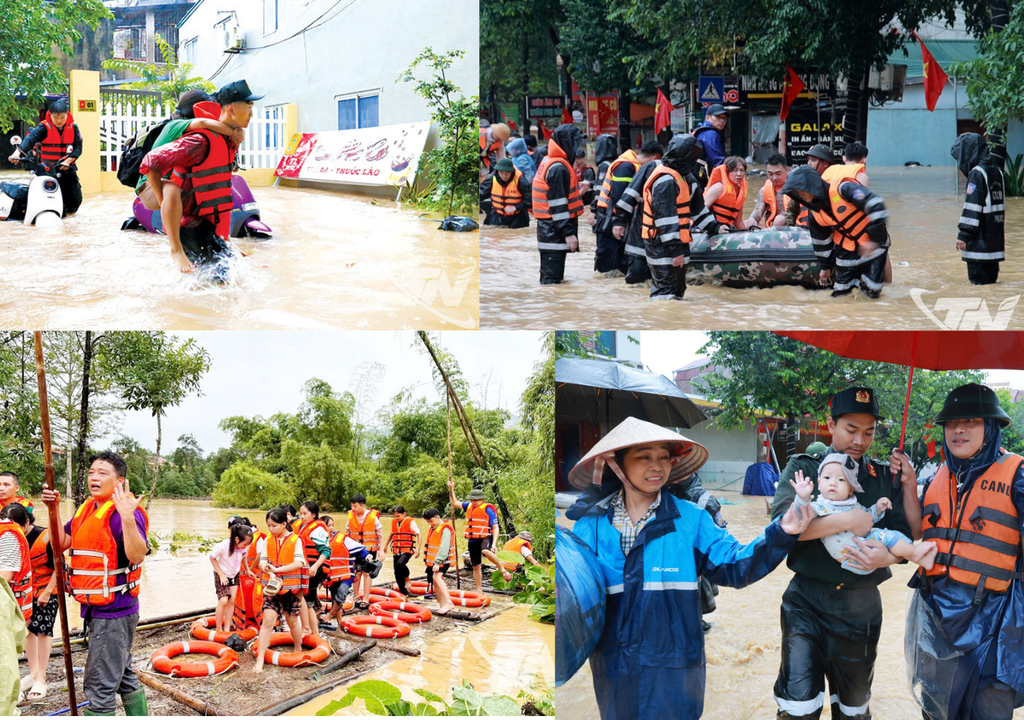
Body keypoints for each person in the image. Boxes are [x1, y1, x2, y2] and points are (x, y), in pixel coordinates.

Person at [564, 416, 812, 719]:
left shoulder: (691, 520)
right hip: (614, 672)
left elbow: (737, 565)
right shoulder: (589, 529)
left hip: (678, 674)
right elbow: (572, 603)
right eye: (644, 457)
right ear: (617, 464)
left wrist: (783, 530)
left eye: (663, 457)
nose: (657, 467)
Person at [770, 387, 919, 720]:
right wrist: (849, 519)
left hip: (861, 610)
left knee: (853, 712)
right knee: (798, 708)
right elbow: (783, 528)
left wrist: (888, 555)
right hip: (805, 604)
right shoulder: (805, 468)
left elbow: (910, 536)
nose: (860, 440)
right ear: (831, 423)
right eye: (851, 429)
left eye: (868, 432)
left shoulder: (881, 476)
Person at [907, 383, 1024, 720]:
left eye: (971, 421)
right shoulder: (936, 478)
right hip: (936, 618)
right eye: (951, 423)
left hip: (996, 621)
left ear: (991, 427)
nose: (958, 429)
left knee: (988, 713)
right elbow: (915, 535)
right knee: (936, 711)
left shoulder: (1017, 475)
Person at [40, 452, 150, 717]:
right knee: (122, 673)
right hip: (99, 610)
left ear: (120, 480)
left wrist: (126, 517)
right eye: (91, 472)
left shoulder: (125, 513)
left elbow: (137, 554)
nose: (94, 477)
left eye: (102, 473)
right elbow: (61, 542)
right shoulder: (88, 508)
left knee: (99, 684)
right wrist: (53, 510)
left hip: (114, 612)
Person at [139, 80, 261, 275]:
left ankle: (222, 242)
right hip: (159, 193)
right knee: (171, 189)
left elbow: (220, 187)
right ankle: (176, 249)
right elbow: (151, 163)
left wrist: (224, 238)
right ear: (230, 110)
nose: (252, 114)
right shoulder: (196, 138)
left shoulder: (224, 140)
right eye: (248, 108)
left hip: (200, 217)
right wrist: (165, 207)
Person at [791, 453, 937, 573]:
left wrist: (878, 509)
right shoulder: (820, 506)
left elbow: (868, 517)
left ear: (850, 489)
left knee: (893, 536)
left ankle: (911, 551)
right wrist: (802, 498)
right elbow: (798, 520)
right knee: (884, 535)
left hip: (864, 554)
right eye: (827, 478)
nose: (833, 483)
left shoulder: (852, 504)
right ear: (819, 482)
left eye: (841, 480)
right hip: (850, 553)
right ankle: (914, 553)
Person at [782, 165, 889, 298]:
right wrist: (825, 267)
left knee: (871, 292)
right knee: (841, 294)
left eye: (801, 190)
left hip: (872, 243)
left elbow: (876, 204)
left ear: (811, 185)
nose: (799, 194)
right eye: (796, 192)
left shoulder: (844, 188)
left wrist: (873, 241)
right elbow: (821, 241)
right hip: (846, 247)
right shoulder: (814, 213)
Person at [640, 134, 715, 301]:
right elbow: (665, 221)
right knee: (665, 291)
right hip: (661, 245)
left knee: (678, 289)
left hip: (679, 244)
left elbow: (698, 209)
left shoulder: (685, 177)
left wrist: (715, 227)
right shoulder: (665, 181)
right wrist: (676, 253)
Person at [2, 504, 55, 702]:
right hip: (24, 592)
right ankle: (33, 673)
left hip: (45, 590)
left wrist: (48, 591)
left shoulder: (45, 536)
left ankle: (42, 676)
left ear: (26, 522)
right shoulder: (8, 537)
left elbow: (60, 565)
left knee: (44, 630)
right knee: (28, 631)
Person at [8, 97, 82, 216]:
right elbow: (30, 140)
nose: (59, 121)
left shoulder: (74, 128)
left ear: (67, 115)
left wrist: (68, 161)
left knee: (74, 202)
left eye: (62, 117)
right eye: (55, 117)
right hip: (48, 170)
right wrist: (17, 153)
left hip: (68, 169)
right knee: (50, 201)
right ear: (50, 115)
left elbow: (78, 149)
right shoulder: (43, 128)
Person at [253, 507, 306, 674]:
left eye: (274, 526)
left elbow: (299, 562)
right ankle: (260, 659)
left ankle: (298, 648)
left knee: (292, 621)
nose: (270, 529)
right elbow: (262, 561)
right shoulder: (268, 540)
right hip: (272, 588)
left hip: (290, 589)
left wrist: (277, 570)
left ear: (284, 524)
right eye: (268, 525)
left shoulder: (295, 540)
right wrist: (266, 567)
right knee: (268, 620)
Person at [533, 123, 585, 284]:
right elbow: (558, 205)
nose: (576, 149)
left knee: (553, 281)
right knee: (551, 282)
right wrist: (568, 233)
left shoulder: (551, 161)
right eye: (575, 143)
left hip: (549, 230)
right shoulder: (559, 168)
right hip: (553, 232)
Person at [951, 133, 1006, 285]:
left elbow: (973, 206)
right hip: (994, 247)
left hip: (979, 249)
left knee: (978, 288)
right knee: (990, 286)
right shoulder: (997, 172)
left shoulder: (977, 173)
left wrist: (963, 234)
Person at [610, 141, 664, 284]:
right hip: (618, 221)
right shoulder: (628, 167)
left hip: (622, 220)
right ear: (655, 158)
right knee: (621, 268)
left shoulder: (633, 165)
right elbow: (623, 196)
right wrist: (619, 221)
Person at [448, 481, 512, 590]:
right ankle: (479, 589)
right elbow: (454, 502)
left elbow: (495, 527)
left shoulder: (487, 509)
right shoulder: (468, 506)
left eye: (476, 500)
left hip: (485, 536)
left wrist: (494, 544)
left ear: (482, 499)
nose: (474, 502)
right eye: (472, 499)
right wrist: (451, 488)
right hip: (473, 539)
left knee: (485, 551)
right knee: (476, 566)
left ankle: (502, 569)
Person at [592, 143, 640, 275]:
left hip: (611, 218)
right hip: (610, 220)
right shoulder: (626, 166)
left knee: (616, 266)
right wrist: (619, 222)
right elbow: (619, 195)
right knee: (610, 268)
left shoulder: (629, 164)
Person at [209, 521, 253, 635]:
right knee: (223, 600)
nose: (246, 547)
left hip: (234, 574)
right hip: (222, 574)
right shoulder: (224, 545)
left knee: (232, 601)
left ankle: (227, 628)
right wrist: (221, 574)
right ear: (237, 540)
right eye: (245, 544)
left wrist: (248, 570)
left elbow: (244, 557)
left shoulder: (244, 547)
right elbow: (212, 557)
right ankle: (219, 628)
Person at [296, 501, 331, 636]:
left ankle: (311, 631)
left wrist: (315, 566)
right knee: (306, 600)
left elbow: (326, 551)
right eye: (301, 514)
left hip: (316, 570)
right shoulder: (304, 526)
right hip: (307, 569)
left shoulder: (318, 529)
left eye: (305, 514)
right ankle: (312, 631)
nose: (302, 517)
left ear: (314, 514)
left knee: (305, 599)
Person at [346, 494, 381, 608]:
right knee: (356, 572)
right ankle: (356, 597)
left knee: (367, 573)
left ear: (362, 506)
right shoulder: (350, 516)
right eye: (352, 506)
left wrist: (382, 550)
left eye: (355, 506)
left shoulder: (372, 517)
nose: (353, 509)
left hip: (370, 549)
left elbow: (380, 533)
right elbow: (346, 534)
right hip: (355, 550)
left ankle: (365, 599)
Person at [748, 153, 796, 229]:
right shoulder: (764, 190)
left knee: (779, 220)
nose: (774, 177)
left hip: (794, 228)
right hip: (772, 229)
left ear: (787, 170)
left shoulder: (797, 188)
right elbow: (757, 212)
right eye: (770, 174)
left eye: (778, 173)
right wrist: (751, 219)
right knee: (749, 225)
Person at [423, 508, 456, 615]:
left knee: (437, 577)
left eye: (431, 521)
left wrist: (437, 562)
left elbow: (444, 547)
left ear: (438, 518)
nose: (429, 524)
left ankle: (449, 602)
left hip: (443, 560)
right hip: (435, 560)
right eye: (427, 522)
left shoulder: (445, 529)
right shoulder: (434, 528)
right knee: (434, 579)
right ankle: (442, 604)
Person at [481, 158, 531, 228]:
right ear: (497, 171)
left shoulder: (521, 181)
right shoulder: (491, 179)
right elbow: (481, 194)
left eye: (507, 173)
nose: (504, 176)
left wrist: (516, 207)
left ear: (512, 172)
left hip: (517, 216)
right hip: (497, 215)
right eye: (501, 172)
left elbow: (530, 200)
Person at [704, 156, 749, 232]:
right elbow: (700, 212)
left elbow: (739, 223)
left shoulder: (740, 194)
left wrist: (747, 235)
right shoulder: (718, 187)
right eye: (735, 170)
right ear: (727, 172)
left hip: (726, 229)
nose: (739, 174)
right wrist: (714, 228)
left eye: (742, 170)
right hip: (711, 229)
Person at [386, 505, 420, 596]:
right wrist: (385, 546)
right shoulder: (394, 522)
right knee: (396, 572)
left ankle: (407, 577)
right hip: (396, 549)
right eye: (394, 516)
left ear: (404, 514)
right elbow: (392, 534)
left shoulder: (410, 522)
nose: (396, 518)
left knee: (400, 564)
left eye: (398, 516)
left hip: (407, 549)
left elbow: (418, 534)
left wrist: (418, 549)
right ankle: (403, 592)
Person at [692, 103, 728, 172]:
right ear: (707, 118)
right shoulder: (710, 133)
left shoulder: (701, 129)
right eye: (718, 117)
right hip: (699, 174)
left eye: (724, 118)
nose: (722, 120)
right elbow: (717, 161)